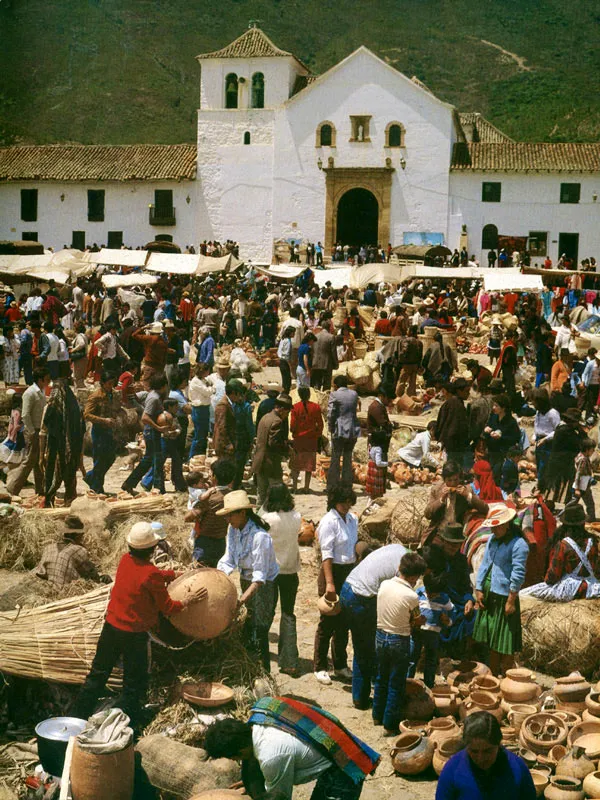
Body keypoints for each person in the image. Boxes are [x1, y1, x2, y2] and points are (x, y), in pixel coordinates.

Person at [71, 522, 207, 728]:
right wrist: (188, 599)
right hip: (133, 635)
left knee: (98, 675)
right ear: (152, 549)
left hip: (111, 627)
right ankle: (128, 723)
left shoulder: (125, 560)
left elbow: (147, 574)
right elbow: (168, 607)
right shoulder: (150, 573)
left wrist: (173, 575)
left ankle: (77, 717)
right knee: (134, 683)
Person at [203, 697, 380, 800]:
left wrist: (262, 784)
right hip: (332, 744)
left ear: (240, 752)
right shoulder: (260, 712)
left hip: (345, 767)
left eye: (236, 759)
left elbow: (279, 797)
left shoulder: (271, 755)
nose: (238, 762)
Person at [217, 490, 279, 672]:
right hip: (246, 580)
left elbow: (259, 577)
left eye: (230, 515)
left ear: (242, 513)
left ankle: (263, 671)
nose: (228, 519)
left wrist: (242, 600)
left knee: (259, 630)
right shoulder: (233, 530)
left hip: (263, 586)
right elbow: (228, 559)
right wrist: (215, 576)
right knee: (247, 626)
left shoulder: (260, 537)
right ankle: (249, 670)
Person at [340, 543, 407, 709]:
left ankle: (360, 697)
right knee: (371, 649)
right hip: (362, 597)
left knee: (361, 647)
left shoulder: (398, 549)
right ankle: (373, 701)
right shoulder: (403, 567)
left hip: (348, 588)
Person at [373, 551, 427, 735]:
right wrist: (423, 620)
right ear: (413, 576)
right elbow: (417, 620)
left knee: (381, 677)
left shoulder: (384, 584)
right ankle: (390, 724)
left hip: (380, 636)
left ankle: (377, 715)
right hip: (399, 640)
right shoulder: (411, 596)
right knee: (396, 683)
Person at [473, 507, 529, 675]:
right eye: (492, 527)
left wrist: (511, 601)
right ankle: (493, 672)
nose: (494, 530)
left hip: (505, 596)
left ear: (507, 525)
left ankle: (506, 674)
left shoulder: (519, 545)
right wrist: (479, 588)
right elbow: (485, 564)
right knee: (491, 637)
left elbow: (518, 574)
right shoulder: (492, 540)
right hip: (490, 593)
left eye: (497, 527)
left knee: (505, 640)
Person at [313, 487, 358, 686]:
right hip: (332, 571)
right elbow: (327, 555)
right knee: (328, 620)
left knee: (344, 622)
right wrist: (330, 583)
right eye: (343, 502)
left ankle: (340, 664)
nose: (346, 506)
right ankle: (320, 666)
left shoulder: (352, 519)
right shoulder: (328, 522)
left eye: (349, 502)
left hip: (348, 571)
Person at [436, 711, 536, 800]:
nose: (481, 758)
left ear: (498, 744)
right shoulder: (452, 770)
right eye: (474, 751)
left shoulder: (517, 768)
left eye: (487, 751)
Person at [259, 483, 302, 675]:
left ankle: (260, 657)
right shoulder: (296, 517)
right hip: (290, 570)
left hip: (270, 571)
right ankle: (289, 660)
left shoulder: (267, 518)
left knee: (266, 614)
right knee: (288, 613)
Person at [522, 502, 600, 600]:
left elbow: (552, 577)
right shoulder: (592, 541)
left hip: (572, 589)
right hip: (592, 587)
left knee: (524, 594)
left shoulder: (564, 545)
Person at [122, 374, 170, 495]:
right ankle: (158, 489)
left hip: (152, 431)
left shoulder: (153, 395)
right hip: (152, 432)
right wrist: (158, 427)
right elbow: (145, 417)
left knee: (148, 460)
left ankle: (129, 483)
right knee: (157, 460)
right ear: (163, 385)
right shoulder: (154, 398)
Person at [40, 378, 85, 507]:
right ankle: (68, 506)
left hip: (55, 452)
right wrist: (80, 457)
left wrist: (41, 454)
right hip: (71, 452)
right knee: (69, 481)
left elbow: (43, 433)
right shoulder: (77, 409)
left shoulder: (50, 408)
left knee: (52, 480)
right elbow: (81, 435)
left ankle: (52, 504)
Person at [6, 368, 50, 497]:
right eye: (46, 379)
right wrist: (31, 432)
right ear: (40, 379)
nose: (48, 382)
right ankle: (12, 487)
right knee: (29, 461)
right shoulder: (30, 393)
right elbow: (25, 414)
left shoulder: (40, 392)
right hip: (33, 431)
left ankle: (40, 489)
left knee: (39, 461)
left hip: (40, 430)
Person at [423, 461, 489, 546]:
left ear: (460, 478)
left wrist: (467, 495)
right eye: (449, 480)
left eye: (456, 480)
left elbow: (485, 508)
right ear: (444, 479)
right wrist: (441, 499)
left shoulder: (466, 489)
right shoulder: (437, 489)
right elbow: (427, 514)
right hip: (439, 533)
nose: (453, 483)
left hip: (456, 535)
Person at [185, 457, 235, 566]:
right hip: (221, 541)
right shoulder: (233, 496)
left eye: (210, 472)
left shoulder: (210, 498)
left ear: (214, 477)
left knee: (200, 574)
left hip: (205, 543)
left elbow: (188, 517)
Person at [408, 570, 453, 688]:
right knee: (412, 657)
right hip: (417, 630)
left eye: (434, 594)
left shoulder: (444, 599)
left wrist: (447, 621)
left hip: (433, 633)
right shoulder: (418, 593)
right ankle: (407, 682)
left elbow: (451, 613)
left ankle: (428, 685)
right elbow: (411, 608)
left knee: (431, 658)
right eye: (429, 592)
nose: (431, 596)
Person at [36, 515, 106, 588]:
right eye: (81, 536)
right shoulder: (79, 550)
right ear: (78, 536)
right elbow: (93, 577)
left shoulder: (48, 548)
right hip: (65, 589)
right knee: (106, 579)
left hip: (47, 588)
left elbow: (40, 573)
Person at [84, 371, 121, 495]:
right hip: (99, 431)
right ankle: (96, 487)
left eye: (113, 383)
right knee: (99, 459)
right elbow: (87, 414)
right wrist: (103, 420)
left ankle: (91, 477)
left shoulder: (112, 394)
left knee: (110, 457)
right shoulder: (96, 396)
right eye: (109, 383)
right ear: (103, 383)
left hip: (109, 430)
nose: (111, 386)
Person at [252, 393, 292, 506]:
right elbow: (273, 443)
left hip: (259, 462)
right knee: (276, 496)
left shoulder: (265, 417)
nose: (286, 416)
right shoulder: (277, 421)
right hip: (270, 464)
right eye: (287, 413)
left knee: (261, 495)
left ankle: (259, 519)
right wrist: (287, 449)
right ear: (282, 410)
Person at [544, 407, 585, 504]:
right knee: (556, 485)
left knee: (555, 485)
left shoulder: (563, 428)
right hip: (561, 463)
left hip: (558, 462)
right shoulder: (565, 431)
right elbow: (579, 443)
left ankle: (550, 505)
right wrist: (581, 431)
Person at [327, 375, 360, 491]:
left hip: (339, 430)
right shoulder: (354, 394)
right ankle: (347, 484)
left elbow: (330, 414)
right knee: (348, 457)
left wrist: (330, 427)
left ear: (335, 385)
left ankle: (333, 485)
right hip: (352, 429)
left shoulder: (334, 395)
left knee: (335, 458)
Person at [290, 385, 323, 495]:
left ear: (299, 395)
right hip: (311, 440)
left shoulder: (295, 407)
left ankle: (294, 487)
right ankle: (306, 487)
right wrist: (317, 435)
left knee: (296, 465)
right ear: (309, 394)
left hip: (299, 440)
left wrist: (294, 433)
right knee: (309, 464)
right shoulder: (316, 407)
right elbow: (320, 424)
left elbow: (293, 424)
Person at [483, 393, 521, 483]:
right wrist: (486, 430)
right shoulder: (493, 417)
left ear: (503, 408)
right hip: (492, 452)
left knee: (498, 477)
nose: (493, 408)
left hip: (503, 454)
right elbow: (488, 428)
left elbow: (515, 438)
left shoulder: (511, 422)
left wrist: (501, 437)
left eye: (496, 406)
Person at [435, 378, 472, 468]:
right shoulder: (456, 404)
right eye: (466, 391)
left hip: (451, 441)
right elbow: (455, 426)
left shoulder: (453, 402)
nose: (468, 394)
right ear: (459, 391)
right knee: (454, 464)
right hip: (455, 442)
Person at [532, 388, 560, 491]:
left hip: (548, 443)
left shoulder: (552, 413)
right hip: (539, 442)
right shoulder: (538, 413)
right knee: (539, 466)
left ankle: (543, 489)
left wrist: (545, 439)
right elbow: (536, 426)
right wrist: (534, 437)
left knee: (545, 467)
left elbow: (557, 430)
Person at [188, 362, 214, 460]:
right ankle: (191, 457)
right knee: (198, 436)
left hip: (205, 409)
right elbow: (207, 392)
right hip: (199, 410)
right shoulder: (195, 382)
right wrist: (212, 388)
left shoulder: (203, 380)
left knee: (203, 434)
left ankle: (200, 456)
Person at [213, 379, 244, 458]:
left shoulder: (230, 404)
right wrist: (228, 444)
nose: (240, 397)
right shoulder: (223, 406)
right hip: (224, 447)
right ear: (233, 393)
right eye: (239, 394)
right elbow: (222, 427)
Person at [0, 392, 25, 469]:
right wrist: (24, 424)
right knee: (16, 456)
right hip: (17, 435)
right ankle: (5, 469)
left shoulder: (13, 410)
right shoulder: (18, 412)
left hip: (12, 433)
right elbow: (17, 425)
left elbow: (11, 423)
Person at [573, 437, 596, 522]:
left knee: (573, 502)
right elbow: (578, 473)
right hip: (583, 485)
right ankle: (592, 520)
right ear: (587, 450)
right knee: (590, 504)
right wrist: (577, 488)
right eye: (592, 449)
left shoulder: (580, 455)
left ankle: (565, 514)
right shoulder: (583, 459)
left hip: (582, 484)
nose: (593, 451)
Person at [311, 321, 338, 391]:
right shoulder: (331, 337)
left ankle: (317, 399)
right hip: (327, 364)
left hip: (316, 363)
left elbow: (312, 350)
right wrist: (336, 364)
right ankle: (325, 400)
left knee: (317, 384)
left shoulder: (315, 336)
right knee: (326, 385)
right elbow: (333, 352)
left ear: (322, 327)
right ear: (329, 327)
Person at [365, 429, 389, 501]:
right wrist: (387, 464)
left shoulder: (371, 447)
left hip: (371, 467)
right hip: (376, 470)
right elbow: (378, 463)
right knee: (377, 492)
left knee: (372, 491)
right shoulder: (378, 449)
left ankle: (370, 501)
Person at [70, 320, 89, 388]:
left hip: (80, 359)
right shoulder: (83, 335)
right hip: (83, 359)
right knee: (80, 378)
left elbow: (82, 344)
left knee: (78, 378)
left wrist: (73, 350)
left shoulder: (79, 336)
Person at [277, 325, 295, 394]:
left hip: (281, 361)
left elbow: (279, 351)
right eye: (293, 333)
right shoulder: (287, 341)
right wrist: (290, 364)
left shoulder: (283, 339)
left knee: (284, 380)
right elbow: (286, 354)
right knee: (287, 381)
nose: (294, 334)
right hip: (285, 362)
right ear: (290, 333)